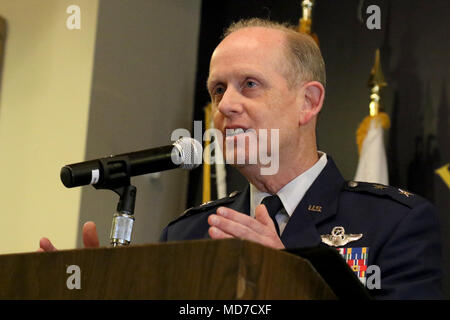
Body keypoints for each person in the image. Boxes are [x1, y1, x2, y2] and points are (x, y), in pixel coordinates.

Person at [39, 18, 443, 299]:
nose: (226, 105)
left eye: (249, 85)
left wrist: (287, 279)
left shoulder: (395, 223)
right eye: (218, 90)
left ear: (309, 101)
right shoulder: (187, 234)